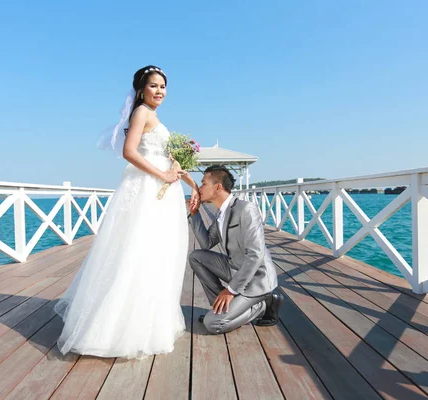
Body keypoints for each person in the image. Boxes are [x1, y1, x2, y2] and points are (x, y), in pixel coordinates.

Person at [54, 65, 200, 359]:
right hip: (146, 188)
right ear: (141, 89)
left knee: (160, 254)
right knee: (137, 251)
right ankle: (117, 328)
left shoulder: (156, 117)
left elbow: (168, 159)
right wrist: (162, 174)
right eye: (154, 86)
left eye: (163, 86)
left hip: (163, 189)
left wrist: (192, 184)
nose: (159, 91)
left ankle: (150, 321)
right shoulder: (142, 112)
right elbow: (129, 152)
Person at [187, 165, 283, 334]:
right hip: (234, 269)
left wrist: (230, 291)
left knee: (213, 324)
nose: (199, 188)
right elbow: (206, 243)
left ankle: (262, 305)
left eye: (203, 184)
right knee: (196, 256)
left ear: (218, 187)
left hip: (256, 278)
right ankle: (220, 309)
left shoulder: (246, 209)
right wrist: (195, 214)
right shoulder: (220, 213)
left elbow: (256, 255)